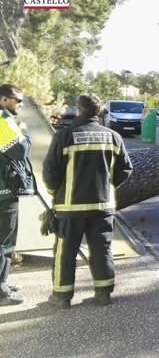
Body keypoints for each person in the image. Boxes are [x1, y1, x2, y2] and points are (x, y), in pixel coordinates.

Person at [43, 93, 132, 309]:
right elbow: (126, 169)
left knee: (66, 251)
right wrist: (107, 188)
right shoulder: (113, 137)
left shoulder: (65, 137)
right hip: (103, 207)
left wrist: (55, 193)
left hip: (70, 207)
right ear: (99, 111)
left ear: (78, 111)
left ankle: (62, 297)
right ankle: (103, 294)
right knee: (102, 249)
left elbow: (50, 172)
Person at [0, 84, 34, 306]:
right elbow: (22, 150)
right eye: (17, 100)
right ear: (3, 100)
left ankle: (3, 281)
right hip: (4, 191)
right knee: (4, 241)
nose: (20, 104)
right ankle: (1, 292)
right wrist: (22, 131)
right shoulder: (3, 121)